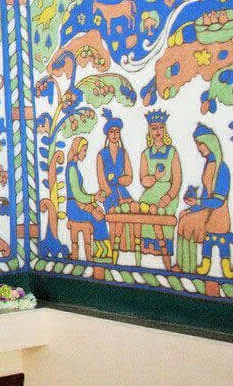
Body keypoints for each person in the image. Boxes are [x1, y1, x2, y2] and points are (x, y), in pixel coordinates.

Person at [176, 124, 230, 275]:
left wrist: (198, 203)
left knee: (189, 222)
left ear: (209, 143)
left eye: (200, 144)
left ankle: (190, 266)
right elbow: (205, 195)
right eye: (197, 144)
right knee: (183, 215)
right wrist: (193, 207)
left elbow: (218, 201)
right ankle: (184, 263)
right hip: (207, 208)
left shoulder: (222, 168)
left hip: (217, 213)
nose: (199, 148)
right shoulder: (209, 164)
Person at [137, 111, 181, 269]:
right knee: (143, 209)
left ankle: (165, 258)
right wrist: (155, 176)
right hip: (151, 193)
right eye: (154, 127)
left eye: (160, 127)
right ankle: (146, 256)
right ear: (150, 130)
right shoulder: (145, 154)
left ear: (165, 130)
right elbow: (144, 180)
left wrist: (168, 197)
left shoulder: (172, 152)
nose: (157, 131)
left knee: (162, 217)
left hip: (168, 194)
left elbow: (177, 181)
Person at [66, 136, 109, 260]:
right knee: (98, 219)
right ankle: (100, 252)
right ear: (77, 149)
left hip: (79, 205)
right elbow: (77, 195)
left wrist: (95, 205)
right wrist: (95, 198)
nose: (85, 153)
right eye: (84, 150)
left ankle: (102, 251)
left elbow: (82, 191)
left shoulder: (75, 167)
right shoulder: (71, 168)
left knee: (100, 215)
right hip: (74, 207)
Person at [97, 109, 134, 254]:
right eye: (112, 132)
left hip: (122, 191)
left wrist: (118, 179)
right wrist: (112, 197)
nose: (114, 135)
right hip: (108, 193)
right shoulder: (101, 154)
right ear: (107, 134)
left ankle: (127, 249)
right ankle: (114, 250)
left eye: (117, 132)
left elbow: (129, 178)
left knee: (130, 215)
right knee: (113, 218)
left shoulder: (123, 153)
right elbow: (101, 180)